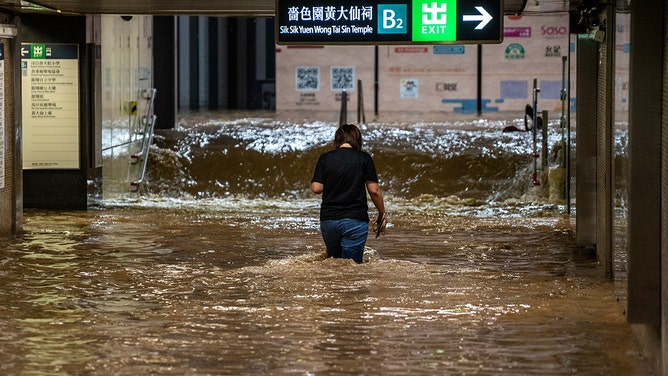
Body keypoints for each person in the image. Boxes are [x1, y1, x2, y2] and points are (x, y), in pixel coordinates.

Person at [311, 123, 387, 264]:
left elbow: (316, 188)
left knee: (335, 263)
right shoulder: (364, 158)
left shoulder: (325, 158)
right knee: (351, 267)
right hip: (355, 220)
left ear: (337, 139)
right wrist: (382, 212)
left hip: (329, 221)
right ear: (357, 139)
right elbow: (374, 190)